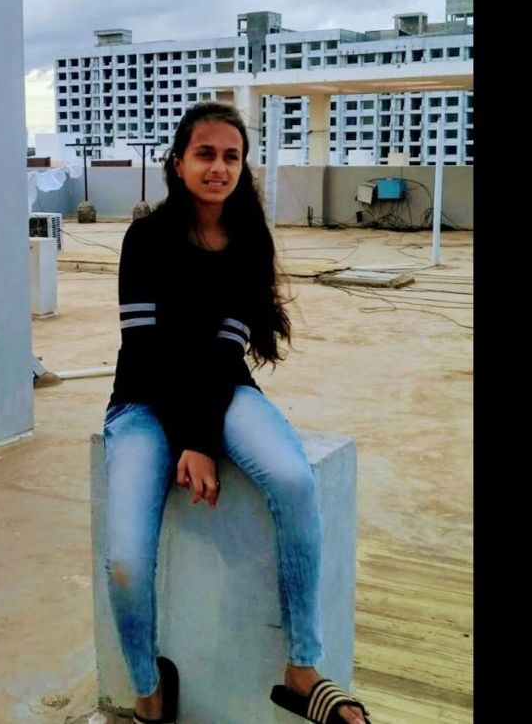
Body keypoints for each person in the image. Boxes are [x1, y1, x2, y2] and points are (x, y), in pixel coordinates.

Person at [102, 101, 371, 724]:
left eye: (231, 156)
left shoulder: (249, 241)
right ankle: (149, 693)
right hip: (141, 402)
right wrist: (189, 439)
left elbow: (225, 351)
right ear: (177, 163)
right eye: (205, 154)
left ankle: (302, 671)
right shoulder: (146, 237)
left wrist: (199, 437)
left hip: (223, 392)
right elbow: (146, 351)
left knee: (294, 480)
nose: (218, 167)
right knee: (126, 562)